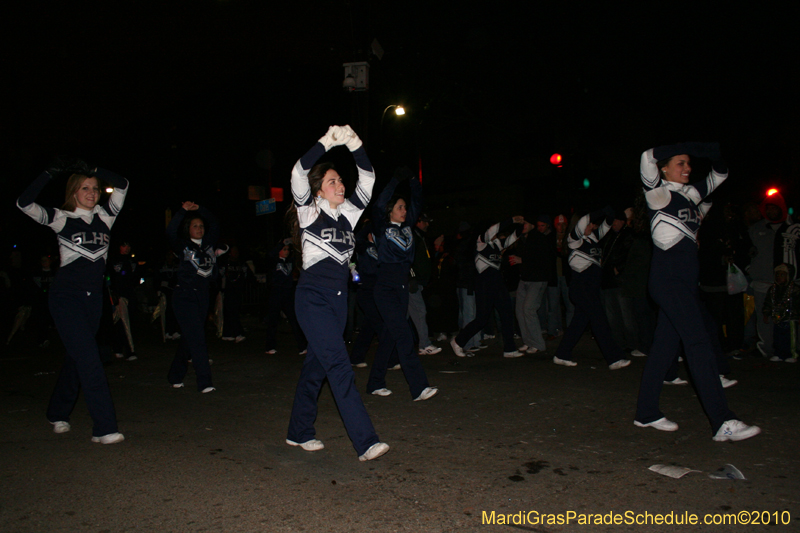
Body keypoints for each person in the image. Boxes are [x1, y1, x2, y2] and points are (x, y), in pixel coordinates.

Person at [634, 142, 760, 442]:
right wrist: (694, 146)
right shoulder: (658, 194)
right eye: (680, 163)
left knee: (664, 349)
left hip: (685, 284)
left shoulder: (691, 195)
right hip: (668, 281)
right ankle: (722, 421)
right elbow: (646, 156)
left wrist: (713, 155)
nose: (687, 168)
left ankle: (646, 412)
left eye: (689, 163)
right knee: (698, 342)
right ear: (664, 168)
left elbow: (721, 173)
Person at [285, 125, 389, 462]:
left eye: (341, 181)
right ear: (319, 193)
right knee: (340, 366)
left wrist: (355, 144)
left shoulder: (348, 214)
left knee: (318, 367)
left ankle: (298, 431)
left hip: (339, 300)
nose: (340, 185)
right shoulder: (309, 211)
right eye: (332, 182)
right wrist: (328, 142)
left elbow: (369, 178)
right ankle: (366, 441)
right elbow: (298, 172)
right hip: (313, 297)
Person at [17, 160, 128, 444]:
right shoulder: (61, 218)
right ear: (74, 192)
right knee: (90, 359)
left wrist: (94, 168)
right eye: (84, 188)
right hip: (66, 298)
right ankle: (104, 428)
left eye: (94, 188)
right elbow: (24, 203)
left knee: (77, 357)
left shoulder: (106, 217)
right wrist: (47, 174)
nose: (91, 193)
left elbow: (123, 184)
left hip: (93, 301)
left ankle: (57, 411)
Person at [366, 168, 439, 400]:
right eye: (400, 207)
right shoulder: (382, 227)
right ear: (390, 211)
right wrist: (395, 180)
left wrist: (413, 182)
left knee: (390, 337)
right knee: (405, 335)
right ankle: (418, 387)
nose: (404, 210)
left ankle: (374, 382)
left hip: (402, 287)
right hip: (385, 287)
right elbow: (378, 205)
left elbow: (418, 201)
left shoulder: (408, 228)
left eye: (405, 208)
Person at [552, 207, 630, 369]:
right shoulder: (574, 239)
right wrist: (602, 209)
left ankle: (561, 354)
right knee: (600, 321)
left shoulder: (593, 238)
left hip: (591, 289)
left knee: (579, 323)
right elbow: (583, 222)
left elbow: (608, 222)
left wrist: (613, 212)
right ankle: (614, 358)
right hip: (582, 288)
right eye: (590, 224)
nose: (592, 227)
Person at [166, 202, 227, 393]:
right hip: (184, 295)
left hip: (203, 295)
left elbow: (215, 223)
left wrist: (200, 209)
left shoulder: (209, 243)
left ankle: (175, 375)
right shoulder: (183, 245)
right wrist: (183, 211)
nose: (199, 228)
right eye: (195, 226)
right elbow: (170, 232)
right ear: (188, 229)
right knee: (198, 338)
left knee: (190, 337)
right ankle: (205, 382)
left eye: (201, 226)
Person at [451, 217, 525, 358]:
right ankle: (458, 341)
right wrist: (511, 220)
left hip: (497, 283)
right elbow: (494, 229)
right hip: (484, 283)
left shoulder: (497, 244)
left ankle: (509, 349)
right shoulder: (481, 242)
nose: (496, 232)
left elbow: (514, 237)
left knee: (507, 314)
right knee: (481, 319)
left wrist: (522, 225)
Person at [748, 190, 800, 358]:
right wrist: (750, 268)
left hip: (787, 284)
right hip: (762, 281)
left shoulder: (792, 228)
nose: (771, 211)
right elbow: (748, 251)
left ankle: (789, 350)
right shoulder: (756, 228)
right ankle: (766, 349)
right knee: (764, 318)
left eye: (774, 208)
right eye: (768, 208)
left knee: (788, 319)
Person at [509, 216, 556, 355]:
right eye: (522, 223)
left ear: (532, 225)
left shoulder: (539, 238)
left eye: (526, 223)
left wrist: (522, 260)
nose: (523, 225)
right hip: (524, 279)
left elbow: (543, 260)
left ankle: (538, 344)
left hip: (537, 280)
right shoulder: (522, 239)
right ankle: (528, 341)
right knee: (520, 311)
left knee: (529, 310)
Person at [263, 239, 306, 355]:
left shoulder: (290, 261)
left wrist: (294, 243)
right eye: (284, 250)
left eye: (288, 250)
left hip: (287, 293)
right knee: (273, 320)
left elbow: (300, 256)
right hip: (276, 292)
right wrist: (282, 243)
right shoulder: (274, 261)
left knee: (294, 319)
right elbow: (270, 255)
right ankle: (269, 346)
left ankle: (302, 346)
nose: (286, 252)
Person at [409, 214, 442, 355]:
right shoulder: (412, 236)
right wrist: (412, 277)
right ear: (418, 222)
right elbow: (408, 258)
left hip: (418, 281)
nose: (427, 225)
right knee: (419, 311)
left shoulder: (421, 237)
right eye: (425, 222)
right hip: (412, 282)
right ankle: (424, 344)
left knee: (404, 315)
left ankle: (393, 348)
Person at [763, 264, 799, 362]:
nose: (779, 277)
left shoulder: (795, 289)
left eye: (782, 275)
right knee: (777, 337)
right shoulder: (773, 289)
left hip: (791, 317)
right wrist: (766, 313)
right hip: (777, 317)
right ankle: (778, 354)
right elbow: (768, 302)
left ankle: (792, 354)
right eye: (777, 275)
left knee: (790, 338)